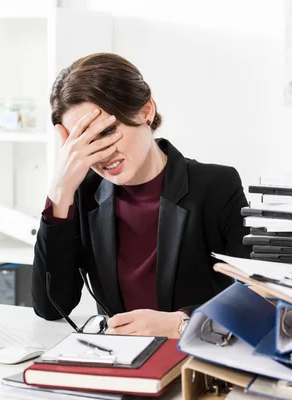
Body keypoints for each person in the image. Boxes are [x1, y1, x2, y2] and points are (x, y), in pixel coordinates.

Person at [32, 53, 250, 338]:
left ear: (146, 111)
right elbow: (51, 307)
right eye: (84, 141)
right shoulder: (82, 194)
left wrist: (180, 324)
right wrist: (60, 193)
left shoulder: (217, 186)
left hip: (194, 362)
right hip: (119, 361)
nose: (102, 153)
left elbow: (253, 297)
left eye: (108, 131)